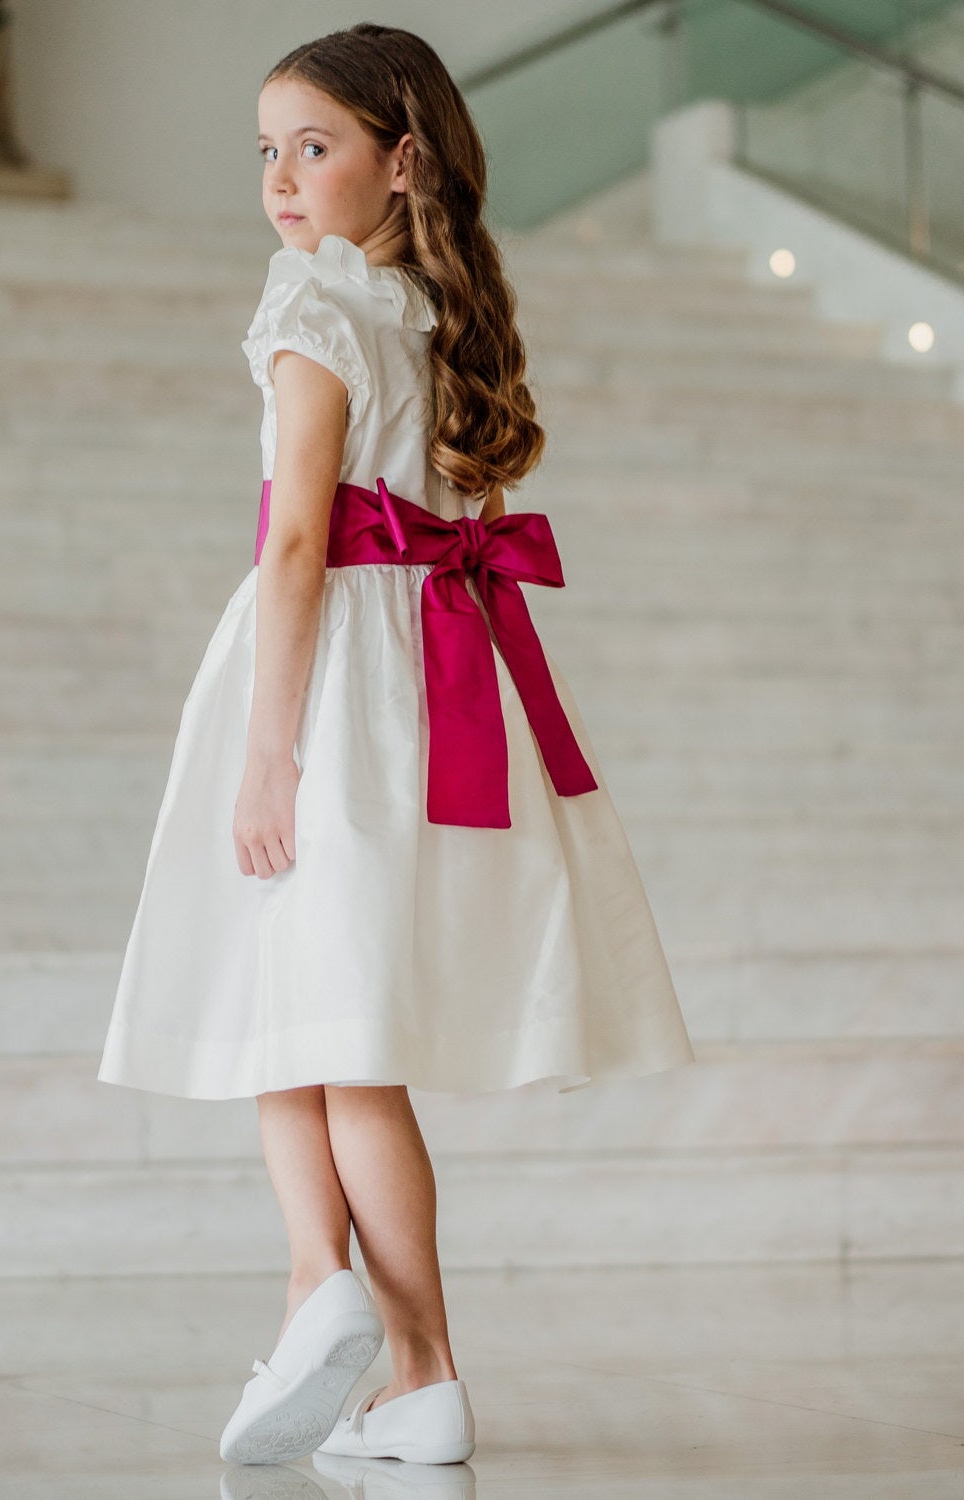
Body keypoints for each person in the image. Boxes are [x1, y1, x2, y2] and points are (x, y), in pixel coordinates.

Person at [96, 22, 697, 1468]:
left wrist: (265, 751)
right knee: (334, 1023)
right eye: (266, 151)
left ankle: (323, 1293)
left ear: (401, 156)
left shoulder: (313, 304)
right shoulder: (425, 309)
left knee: (298, 1018)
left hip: (327, 675)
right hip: (422, 672)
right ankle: (417, 1375)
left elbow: (300, 535)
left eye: (315, 147)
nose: (282, 181)